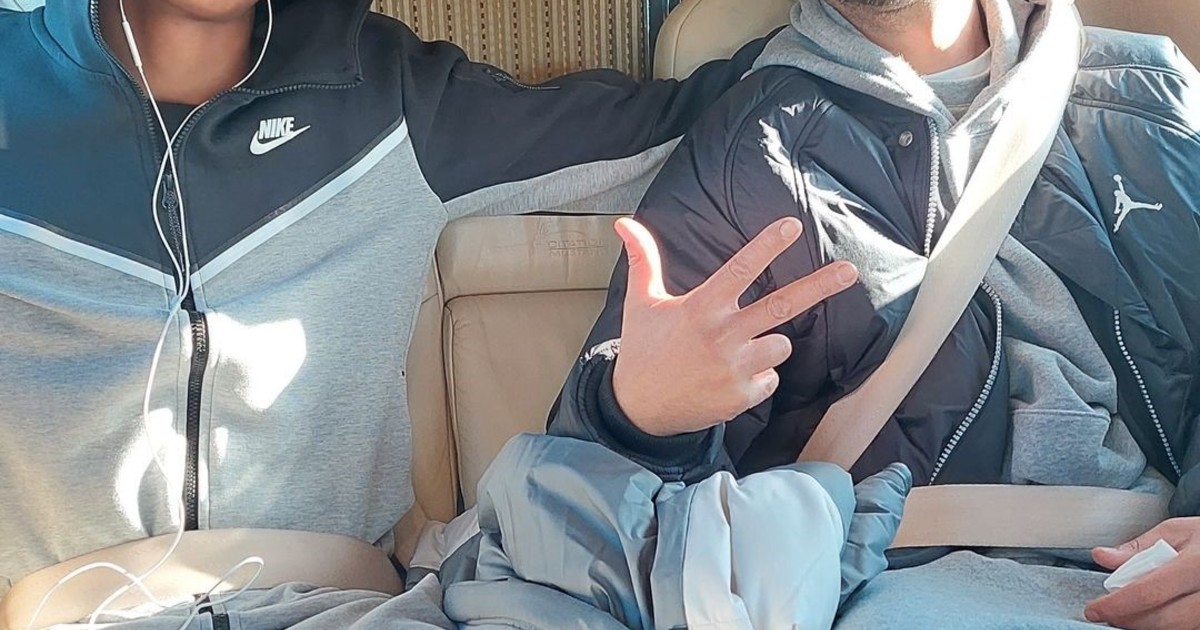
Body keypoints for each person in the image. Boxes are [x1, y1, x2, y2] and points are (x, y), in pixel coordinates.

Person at [0, 0, 780, 626]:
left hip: (344, 603)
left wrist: (847, 21)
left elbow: (699, 124)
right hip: (57, 606)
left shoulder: (390, 97)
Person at [549, 0, 1200, 627]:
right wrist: (639, 418)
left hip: (1159, 560)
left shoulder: (1154, 93)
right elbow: (606, 524)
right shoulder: (751, 150)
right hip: (907, 580)